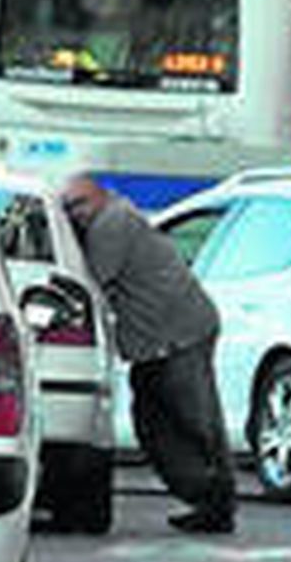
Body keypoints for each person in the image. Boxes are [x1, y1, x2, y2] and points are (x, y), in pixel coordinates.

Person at [62, 173, 236, 533]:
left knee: (189, 421)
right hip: (164, 337)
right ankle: (207, 498)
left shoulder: (112, 224)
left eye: (79, 204)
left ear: (100, 197)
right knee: (162, 419)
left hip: (176, 335)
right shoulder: (116, 216)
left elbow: (94, 280)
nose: (74, 213)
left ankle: (214, 500)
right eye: (67, 207)